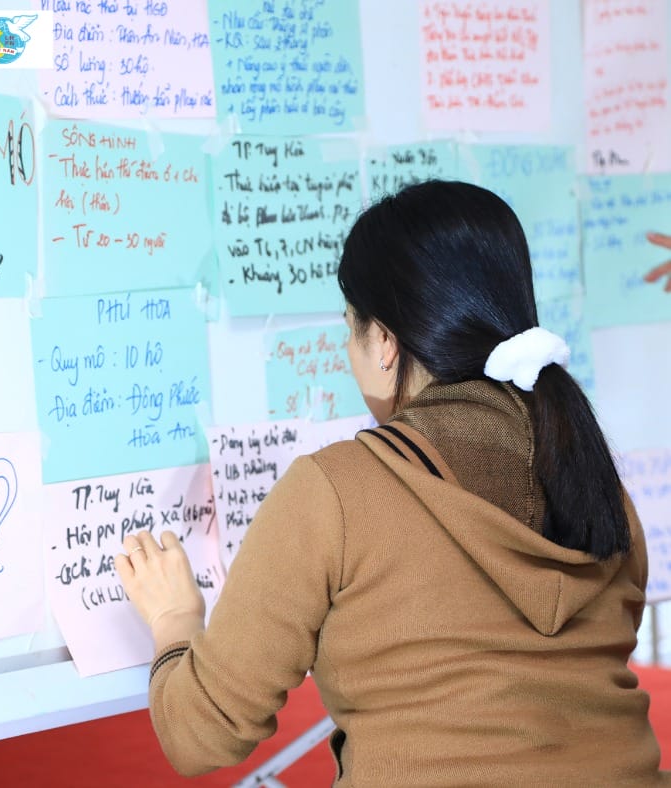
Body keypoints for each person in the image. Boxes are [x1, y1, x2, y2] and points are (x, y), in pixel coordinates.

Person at [116, 180, 668, 786]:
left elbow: (201, 735)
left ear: (383, 341)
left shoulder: (336, 491)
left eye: (349, 328)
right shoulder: (597, 485)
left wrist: (175, 620)